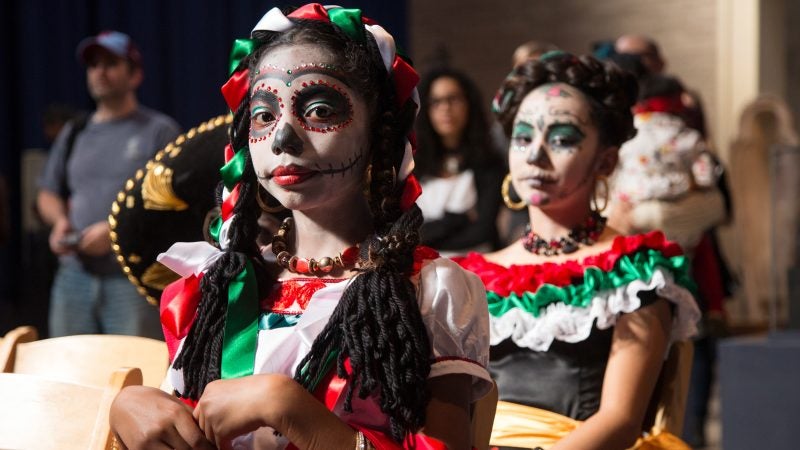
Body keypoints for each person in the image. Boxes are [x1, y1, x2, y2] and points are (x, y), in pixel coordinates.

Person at [109, 4, 491, 449]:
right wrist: (128, 406)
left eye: (320, 109)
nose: (283, 138)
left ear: (379, 134)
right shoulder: (220, 287)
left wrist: (287, 407)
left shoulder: (425, 293)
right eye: (264, 115)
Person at [455, 51, 700, 449]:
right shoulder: (473, 276)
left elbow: (620, 421)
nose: (535, 155)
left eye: (562, 139)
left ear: (605, 160)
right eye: (523, 137)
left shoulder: (633, 271)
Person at [37, 30, 181, 338]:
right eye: (93, 65)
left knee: (134, 372)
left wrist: (114, 229)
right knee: (69, 370)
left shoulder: (159, 131)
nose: (99, 72)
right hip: (74, 276)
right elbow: (48, 192)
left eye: (111, 64)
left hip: (130, 278)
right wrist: (60, 221)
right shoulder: (75, 131)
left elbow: (173, 204)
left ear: (135, 74)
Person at [415, 68, 504, 255]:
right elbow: (410, 232)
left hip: (477, 265)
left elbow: (483, 231)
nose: (445, 108)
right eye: (436, 101)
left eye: (453, 99)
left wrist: (429, 235)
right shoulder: (413, 164)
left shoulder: (489, 163)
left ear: (468, 103)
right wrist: (457, 220)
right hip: (421, 267)